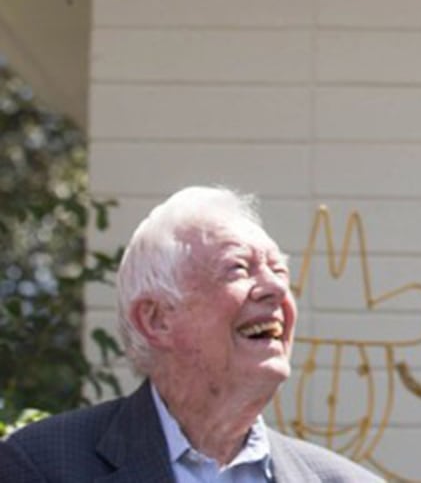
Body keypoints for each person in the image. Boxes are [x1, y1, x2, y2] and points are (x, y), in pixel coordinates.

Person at [4, 186, 380, 483]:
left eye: (279, 271)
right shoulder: (42, 467)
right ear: (156, 320)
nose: (276, 290)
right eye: (238, 269)